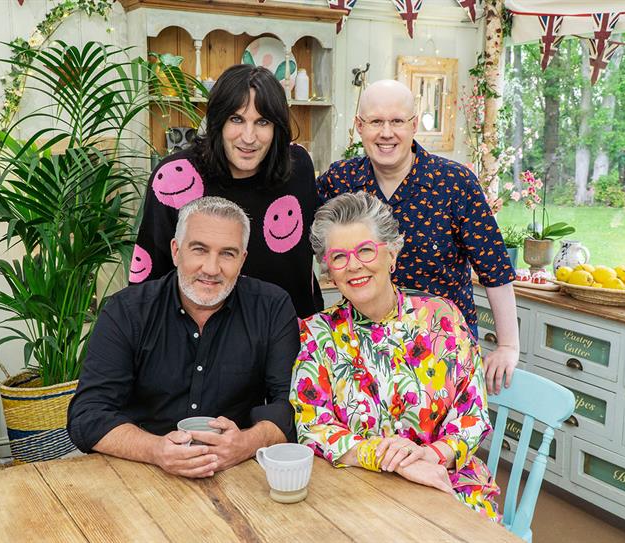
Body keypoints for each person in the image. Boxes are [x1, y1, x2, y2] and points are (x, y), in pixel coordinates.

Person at [290, 192, 500, 520]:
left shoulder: (442, 318)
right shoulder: (317, 333)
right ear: (329, 270)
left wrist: (430, 456)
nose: (354, 265)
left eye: (365, 250)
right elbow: (312, 425)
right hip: (359, 488)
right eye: (339, 257)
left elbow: (472, 414)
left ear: (392, 254)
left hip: (445, 480)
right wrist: (388, 459)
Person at [68, 197, 299, 478]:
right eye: (199, 249)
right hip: (137, 469)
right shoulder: (127, 311)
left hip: (235, 471)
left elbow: (291, 405)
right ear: (176, 251)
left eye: (227, 253)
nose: (212, 268)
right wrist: (156, 450)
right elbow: (87, 415)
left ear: (242, 260)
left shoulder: (272, 307)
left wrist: (246, 443)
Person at [317, 79, 518, 393]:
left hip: (444, 348)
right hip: (365, 350)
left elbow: (495, 268)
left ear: (413, 125)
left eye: (397, 121)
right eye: (375, 122)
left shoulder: (455, 182)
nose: (386, 133)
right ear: (359, 126)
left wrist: (508, 345)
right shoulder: (341, 179)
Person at [132, 64, 322, 317]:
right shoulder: (175, 178)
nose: (248, 136)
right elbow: (150, 278)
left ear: (277, 127)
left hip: (292, 334)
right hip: (201, 344)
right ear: (218, 121)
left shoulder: (297, 166)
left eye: (262, 121)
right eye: (236, 119)